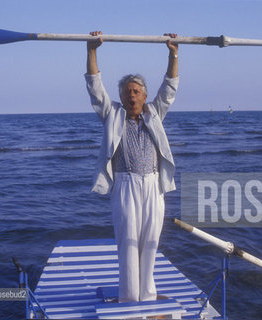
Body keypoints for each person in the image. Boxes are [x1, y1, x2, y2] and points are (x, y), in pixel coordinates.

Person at [85, 31, 179, 302]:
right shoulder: (112, 115)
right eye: (127, 93)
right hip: (125, 185)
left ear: (145, 95)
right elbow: (95, 88)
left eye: (136, 92)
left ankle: (147, 297)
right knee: (127, 243)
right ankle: (128, 298)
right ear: (122, 97)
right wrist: (92, 51)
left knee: (150, 243)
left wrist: (173, 53)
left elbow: (170, 87)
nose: (132, 96)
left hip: (152, 185)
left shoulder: (154, 113)